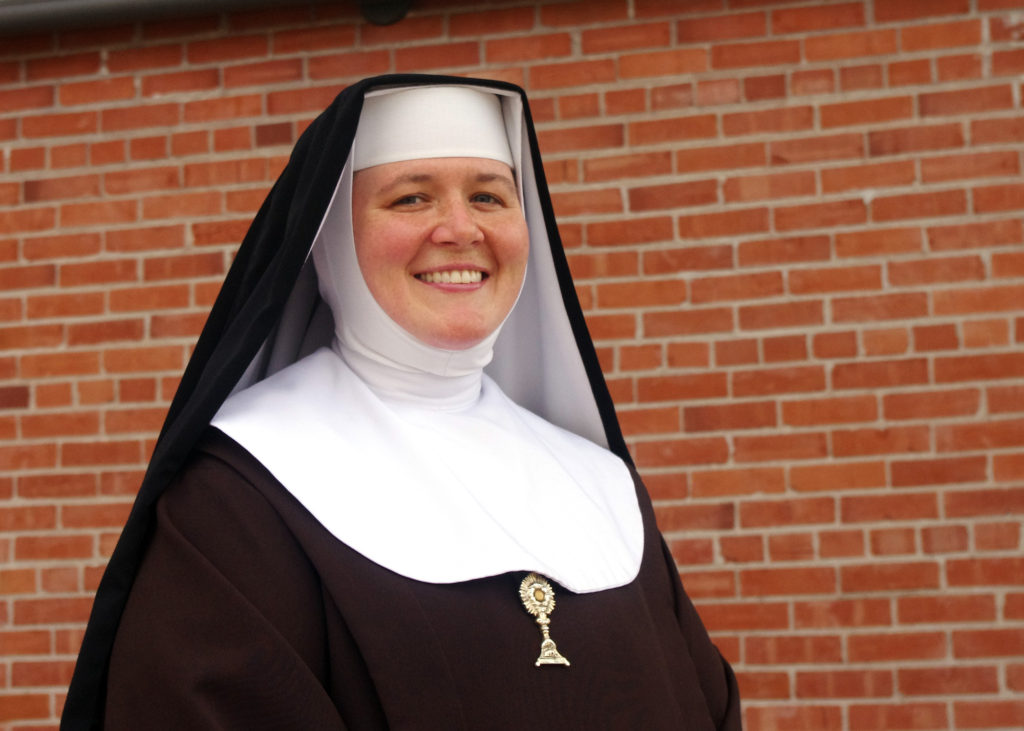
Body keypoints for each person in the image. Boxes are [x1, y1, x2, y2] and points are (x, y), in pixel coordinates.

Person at [61, 74, 741, 730]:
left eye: (489, 196)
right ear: (330, 242)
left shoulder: (598, 485)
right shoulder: (239, 499)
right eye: (411, 198)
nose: (460, 228)